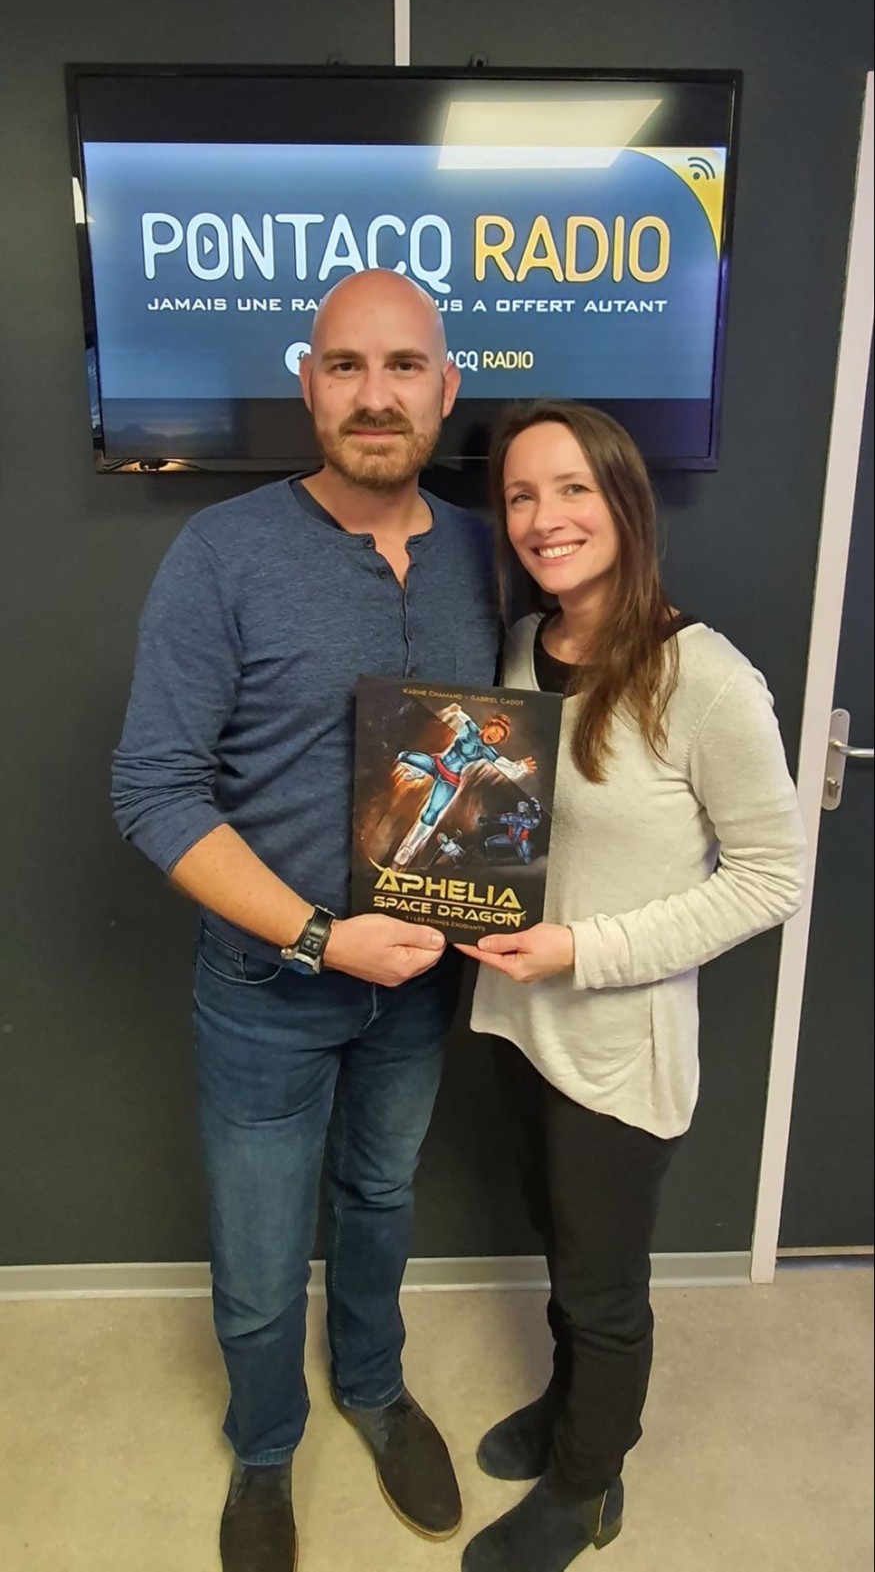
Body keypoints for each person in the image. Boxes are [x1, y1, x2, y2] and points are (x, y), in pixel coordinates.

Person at [111, 269, 499, 1572]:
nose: (375, 395)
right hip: (267, 989)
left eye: (403, 366)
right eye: (345, 365)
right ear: (307, 385)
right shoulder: (221, 553)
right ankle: (266, 1444)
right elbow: (153, 790)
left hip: (420, 984)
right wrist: (320, 937)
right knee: (262, 1252)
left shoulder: (485, 552)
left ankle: (374, 1390)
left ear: (445, 387)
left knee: (380, 1197)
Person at [456, 400, 807, 1572]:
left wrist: (581, 949)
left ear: (624, 503)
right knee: (559, 1248)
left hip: (617, 1044)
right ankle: (572, 1409)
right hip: (513, 1020)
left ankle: (585, 1484)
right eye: (520, 495)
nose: (542, 518)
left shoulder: (706, 678)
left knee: (602, 1288)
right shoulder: (519, 648)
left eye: (571, 489)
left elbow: (768, 880)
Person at [393, 702, 536, 867]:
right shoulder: (470, 728)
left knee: (431, 813)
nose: (495, 736)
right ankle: (419, 772)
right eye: (496, 731)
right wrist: (455, 709)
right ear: (487, 726)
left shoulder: (487, 751)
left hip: (449, 779)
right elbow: (461, 715)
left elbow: (506, 766)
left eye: (499, 737)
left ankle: (409, 848)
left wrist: (520, 767)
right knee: (404, 756)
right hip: (435, 763)